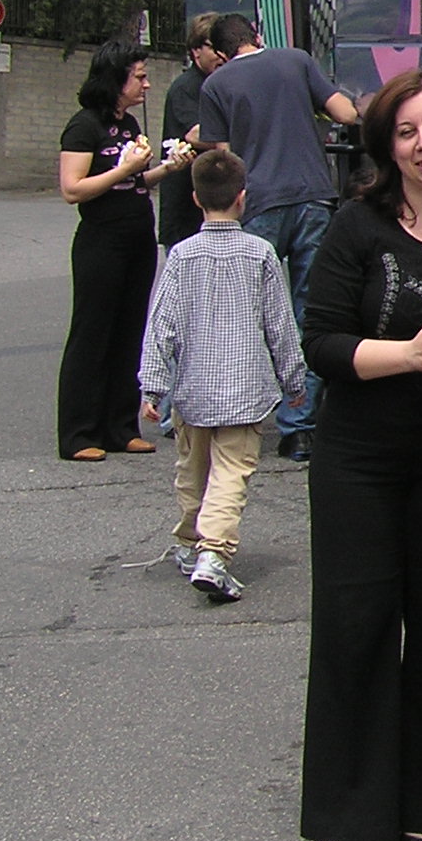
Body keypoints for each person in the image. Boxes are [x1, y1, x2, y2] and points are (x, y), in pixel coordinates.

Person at [300, 70, 422, 841]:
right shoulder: (356, 226)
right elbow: (322, 344)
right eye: (407, 131)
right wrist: (408, 355)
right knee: (355, 626)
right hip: (360, 460)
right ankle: (344, 811)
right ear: (387, 145)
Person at [137, 148, 306, 603]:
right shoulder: (260, 255)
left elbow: (162, 323)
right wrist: (295, 380)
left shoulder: (182, 256)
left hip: (193, 390)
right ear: (243, 198)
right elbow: (280, 323)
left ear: (195, 199)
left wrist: (152, 385)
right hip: (244, 389)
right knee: (231, 472)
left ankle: (192, 541)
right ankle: (215, 552)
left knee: (192, 471)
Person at [194, 12, 361, 462]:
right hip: (312, 196)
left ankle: (238, 414)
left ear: (221, 52)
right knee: (312, 310)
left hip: (258, 202)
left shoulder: (215, 86)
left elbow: (223, 157)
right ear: (258, 37)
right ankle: (300, 428)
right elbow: (345, 111)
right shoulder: (296, 60)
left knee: (250, 315)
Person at [56, 39, 187, 462]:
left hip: (136, 234)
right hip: (101, 241)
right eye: (140, 76)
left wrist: (165, 169)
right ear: (116, 80)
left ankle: (120, 426)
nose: (147, 84)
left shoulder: (128, 126)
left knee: (131, 330)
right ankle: (79, 432)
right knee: (94, 333)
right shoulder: (84, 127)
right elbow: (74, 189)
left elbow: (133, 182)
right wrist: (125, 168)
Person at [156, 14, 222, 253]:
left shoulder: (222, 83)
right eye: (214, 48)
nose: (222, 55)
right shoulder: (186, 87)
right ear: (196, 51)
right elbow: (196, 134)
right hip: (185, 209)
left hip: (213, 204)